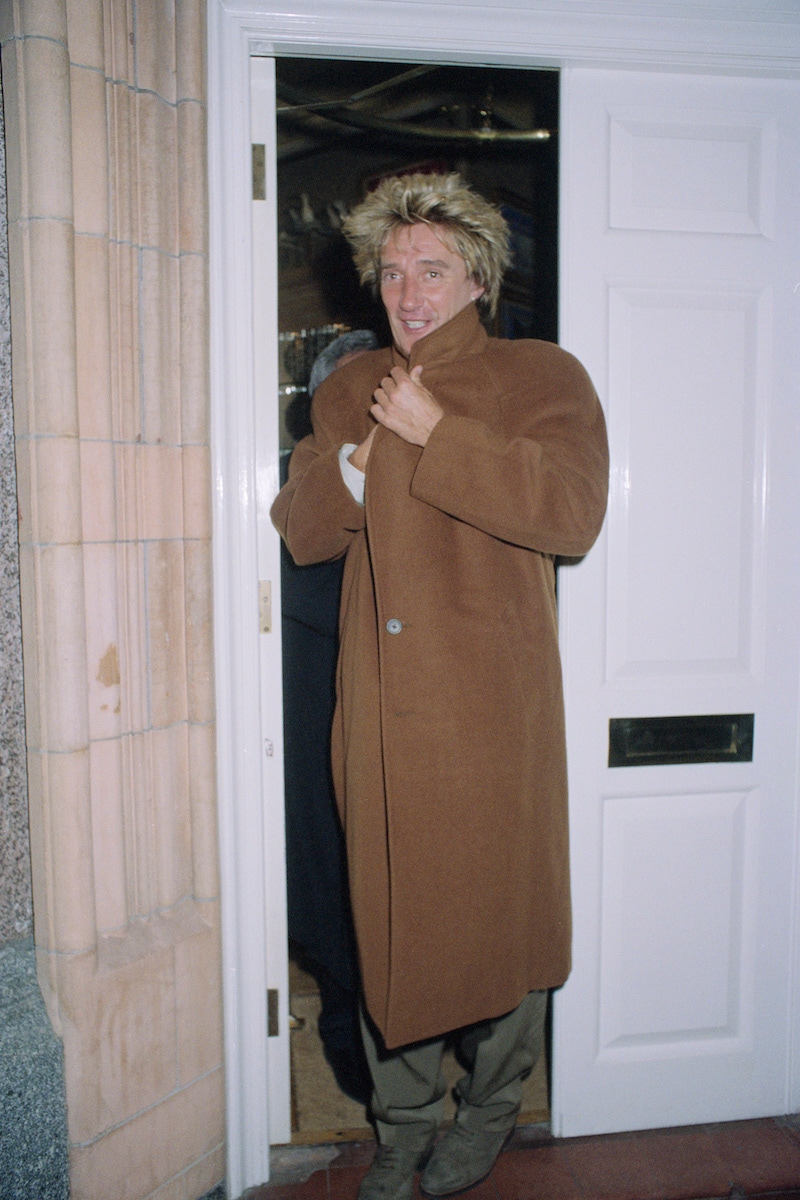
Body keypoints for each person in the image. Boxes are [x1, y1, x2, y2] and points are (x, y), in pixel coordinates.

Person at [271, 172, 609, 1199]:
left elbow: (570, 514)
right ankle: (405, 1118)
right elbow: (300, 529)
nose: (407, 291)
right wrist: (364, 464)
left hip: (489, 708)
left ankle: (493, 1106)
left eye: (432, 269)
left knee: (499, 913)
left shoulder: (539, 374)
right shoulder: (348, 385)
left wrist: (437, 433)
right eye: (390, 271)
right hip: (375, 706)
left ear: (476, 278)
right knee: (389, 917)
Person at [280, 329, 378, 1102]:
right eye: (346, 388)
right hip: (320, 706)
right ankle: (348, 1037)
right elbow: (303, 590)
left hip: (400, 712)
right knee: (332, 882)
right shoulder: (305, 475)